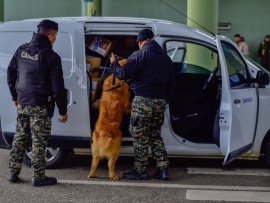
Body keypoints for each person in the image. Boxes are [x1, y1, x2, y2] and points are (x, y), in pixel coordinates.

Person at [7, 19, 68, 187]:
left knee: (19, 138)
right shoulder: (51, 57)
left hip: (23, 103)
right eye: (55, 36)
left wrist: (15, 97)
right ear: (49, 35)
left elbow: (11, 74)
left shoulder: (22, 50)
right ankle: (38, 177)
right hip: (40, 106)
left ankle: (13, 173)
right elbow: (58, 88)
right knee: (39, 141)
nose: (55, 39)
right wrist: (63, 111)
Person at [110, 28, 174, 180]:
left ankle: (141, 171)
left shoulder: (140, 55)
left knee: (140, 135)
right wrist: (164, 101)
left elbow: (122, 74)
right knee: (155, 135)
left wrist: (113, 63)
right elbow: (172, 85)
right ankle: (163, 169)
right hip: (160, 101)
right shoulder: (166, 58)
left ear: (140, 42)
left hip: (143, 100)